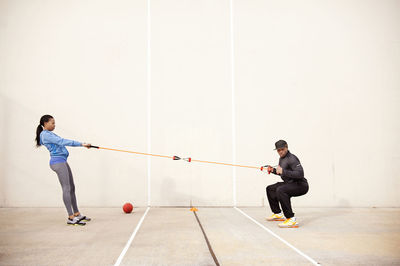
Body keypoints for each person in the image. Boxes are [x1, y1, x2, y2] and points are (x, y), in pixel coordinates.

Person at [35, 114, 91, 226]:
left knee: (71, 187)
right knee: (66, 188)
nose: (54, 125)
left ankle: (76, 214)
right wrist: (82, 144)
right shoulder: (45, 135)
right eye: (52, 123)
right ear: (45, 123)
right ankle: (71, 217)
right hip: (58, 162)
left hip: (62, 161)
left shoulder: (48, 134)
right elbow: (62, 141)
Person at [265, 140, 309, 228]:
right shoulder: (281, 158)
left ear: (286, 147)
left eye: (282, 149)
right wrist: (272, 170)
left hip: (301, 185)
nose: (280, 151)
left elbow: (300, 174)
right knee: (270, 189)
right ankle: (278, 214)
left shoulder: (292, 158)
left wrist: (283, 171)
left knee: (281, 190)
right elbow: (282, 172)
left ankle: (291, 219)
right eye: (278, 150)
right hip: (290, 183)